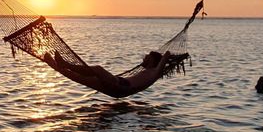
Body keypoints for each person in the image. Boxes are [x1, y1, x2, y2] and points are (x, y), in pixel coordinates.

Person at [41, 49, 184, 98]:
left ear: (154, 61)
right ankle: (51, 63)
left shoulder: (154, 72)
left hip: (121, 86)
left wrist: (167, 59)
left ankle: (65, 64)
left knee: (97, 69)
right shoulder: (148, 70)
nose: (145, 57)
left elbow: (166, 54)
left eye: (148, 57)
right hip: (117, 86)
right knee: (79, 78)